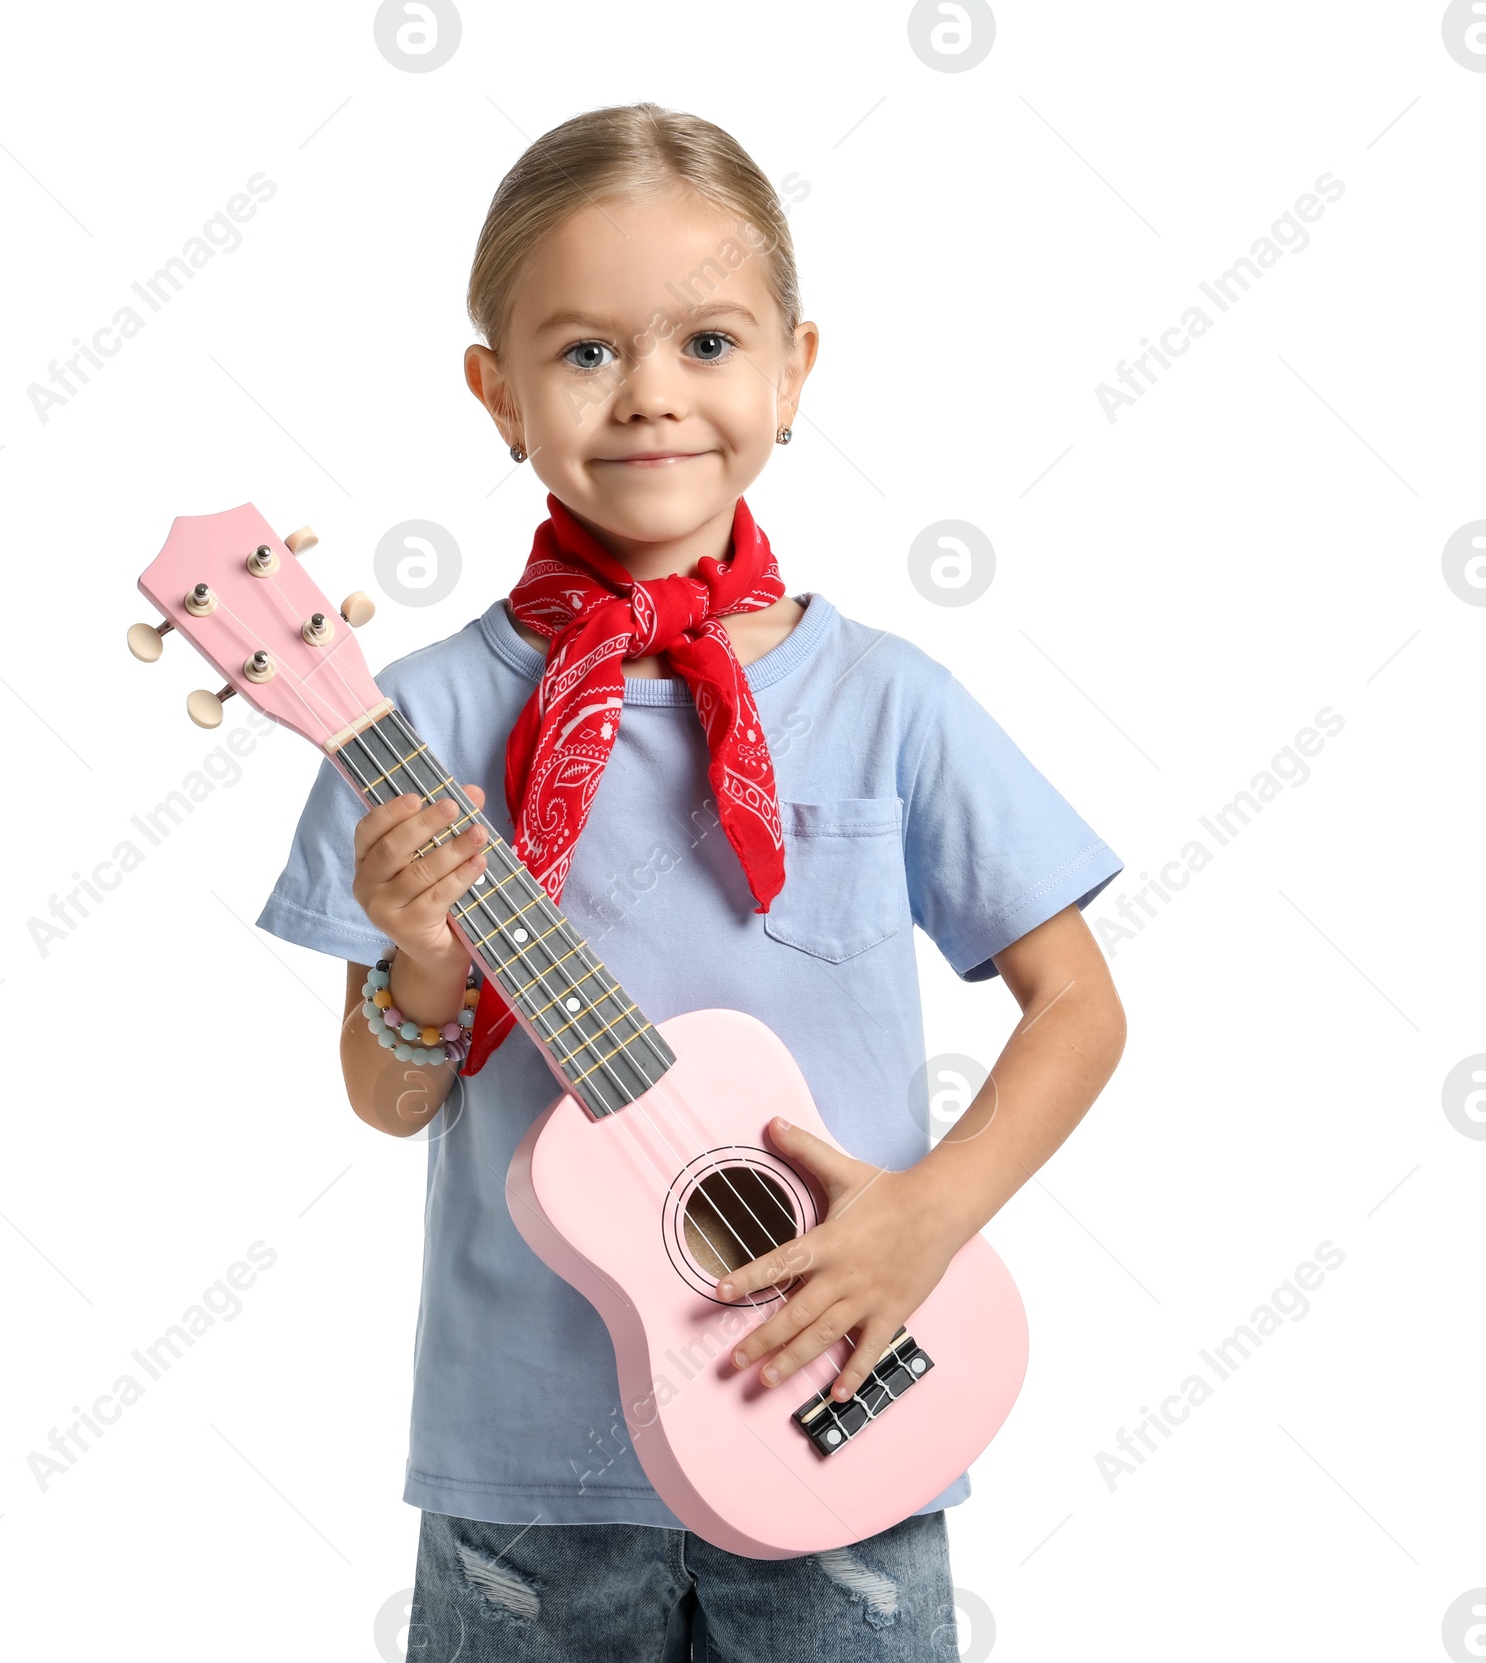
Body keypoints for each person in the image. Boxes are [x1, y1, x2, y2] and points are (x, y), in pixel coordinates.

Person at [256, 100, 1127, 1663]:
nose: (653, 394)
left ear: (796, 371)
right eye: (586, 351)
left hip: (846, 1411)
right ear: (496, 395)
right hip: (529, 1469)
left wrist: (926, 1220)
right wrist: (425, 959)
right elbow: (387, 1103)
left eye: (710, 344)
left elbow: (1081, 1005)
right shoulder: (419, 725)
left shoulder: (889, 700)